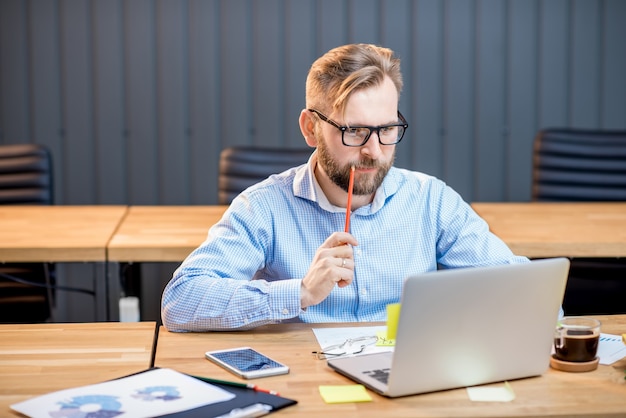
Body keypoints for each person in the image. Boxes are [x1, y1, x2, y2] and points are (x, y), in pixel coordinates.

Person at [161, 43, 529, 332]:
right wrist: (301, 292)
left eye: (386, 129)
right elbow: (180, 302)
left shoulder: (431, 201)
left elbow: (523, 292)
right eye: (354, 131)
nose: (374, 151)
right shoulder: (264, 207)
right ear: (310, 128)